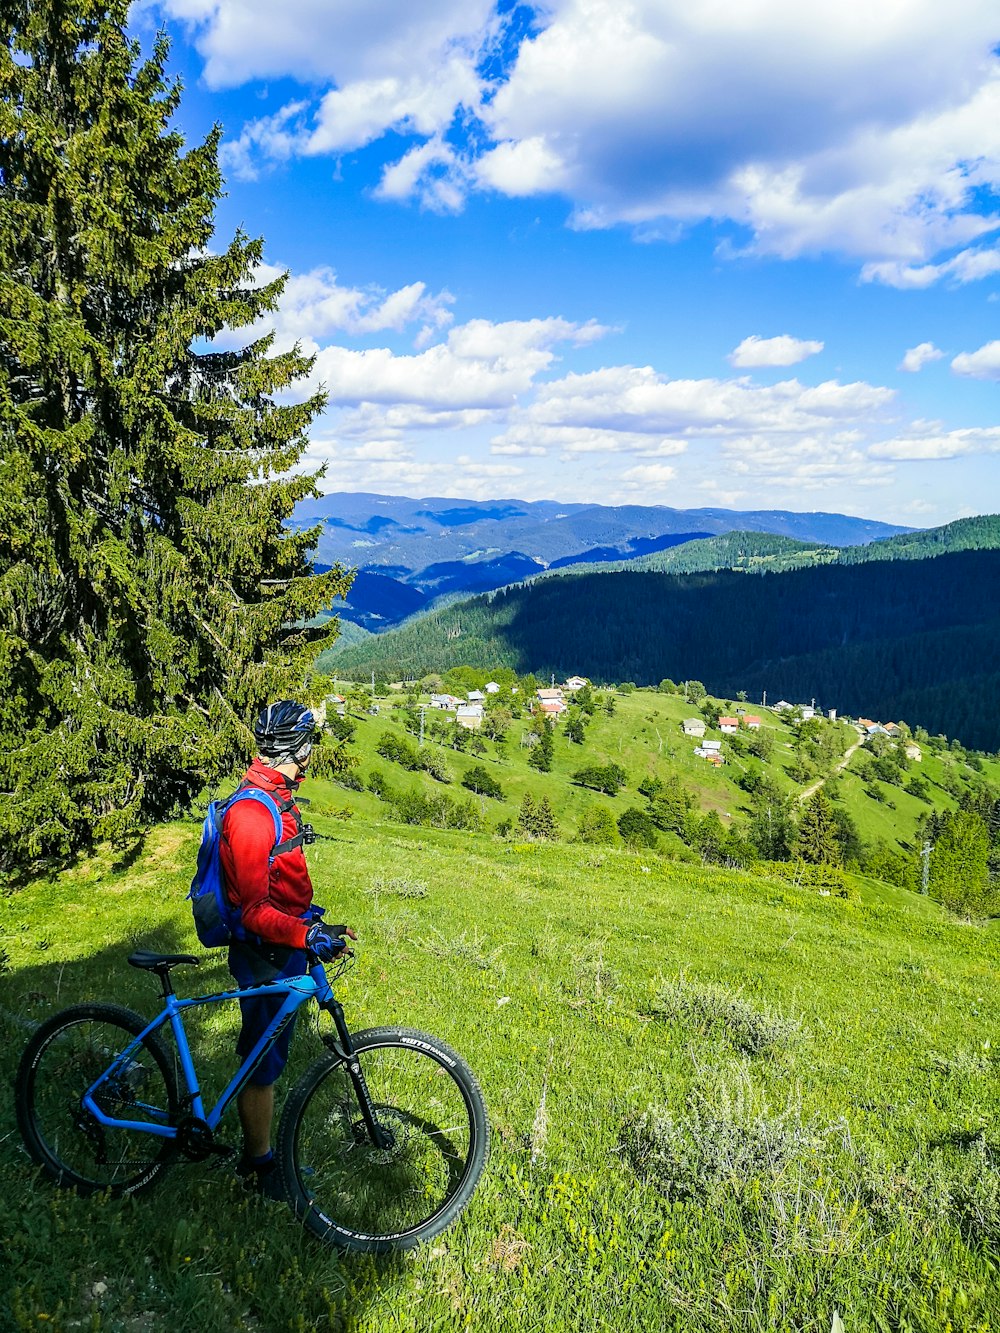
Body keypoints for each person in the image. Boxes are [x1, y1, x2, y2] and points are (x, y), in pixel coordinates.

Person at [220, 699, 355, 1196]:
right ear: (294, 749)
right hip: (265, 954)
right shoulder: (254, 814)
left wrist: (319, 926)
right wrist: (304, 935)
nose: (312, 755)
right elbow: (254, 909)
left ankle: (259, 1159)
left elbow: (284, 888)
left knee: (269, 1057)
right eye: (308, 746)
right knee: (261, 1064)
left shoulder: (275, 799)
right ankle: (257, 1167)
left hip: (284, 945)